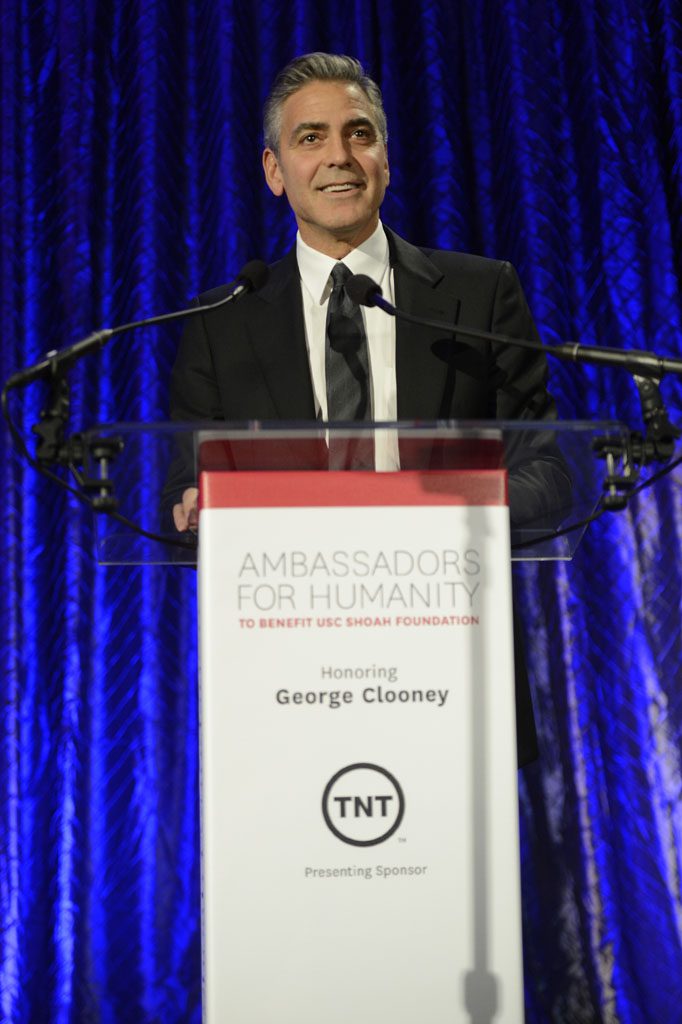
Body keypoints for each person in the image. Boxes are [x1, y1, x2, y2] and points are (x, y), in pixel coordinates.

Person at [166, 52, 570, 764]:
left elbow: (546, 472)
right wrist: (194, 510)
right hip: (286, 683)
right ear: (274, 171)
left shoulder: (479, 296)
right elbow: (186, 497)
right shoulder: (223, 320)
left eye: (359, 132)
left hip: (451, 663)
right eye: (310, 137)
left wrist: (436, 509)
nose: (339, 157)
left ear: (385, 157)